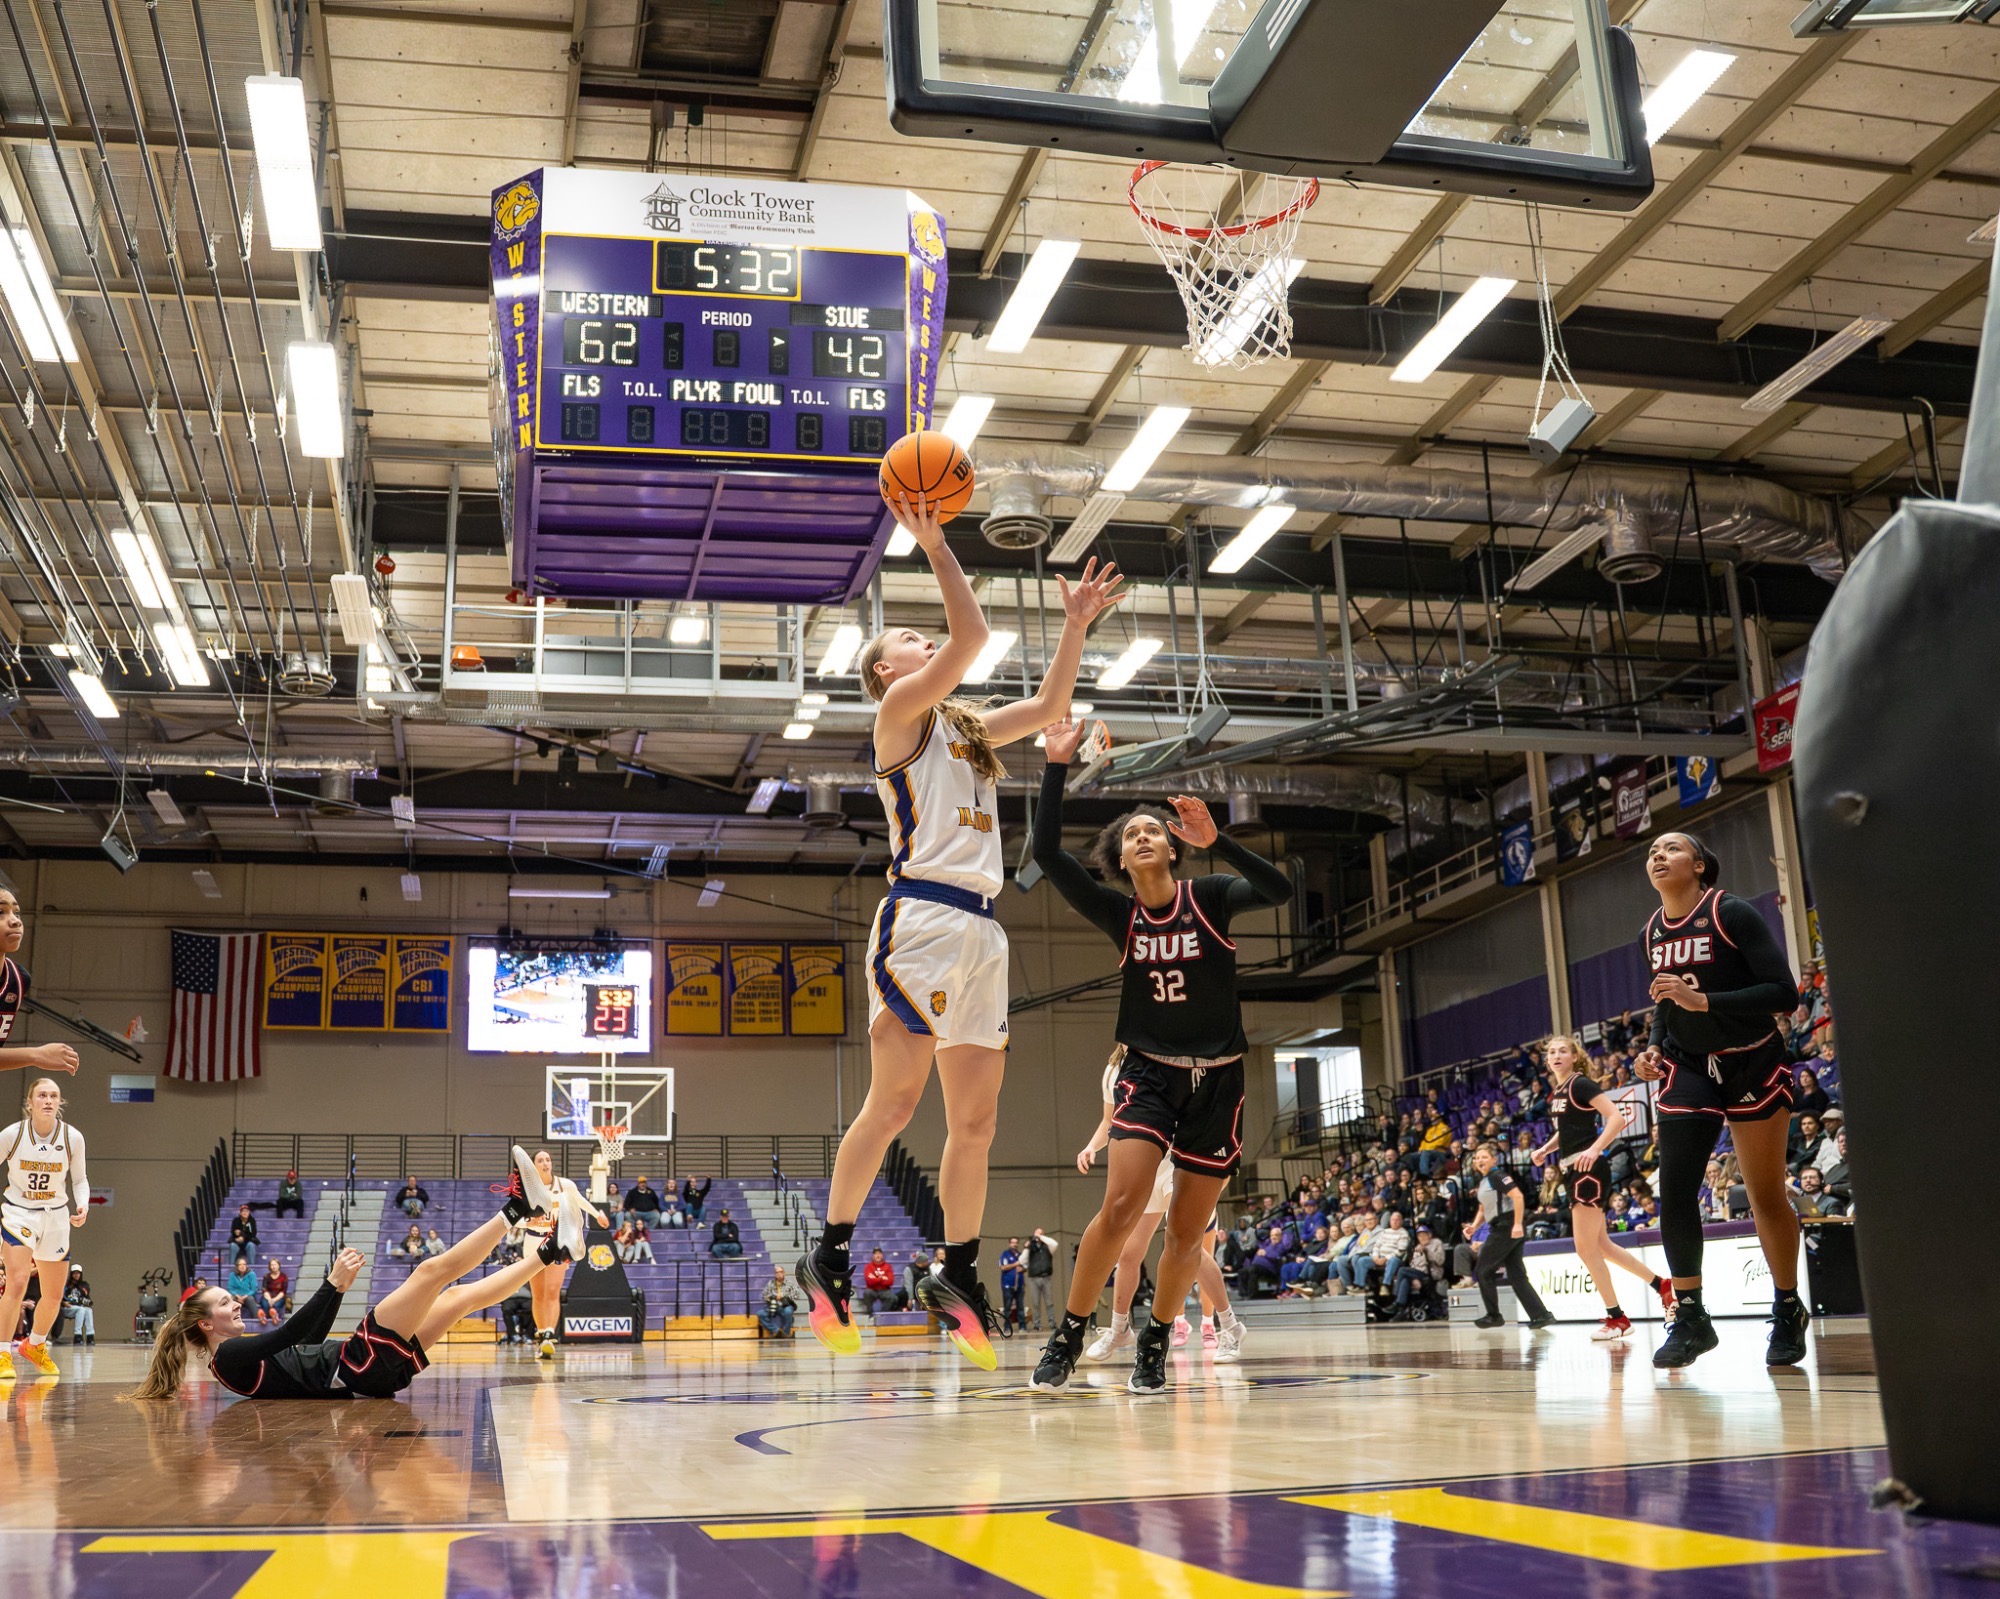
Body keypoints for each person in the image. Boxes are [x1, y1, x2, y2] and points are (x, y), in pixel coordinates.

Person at [796, 503, 1125, 1371]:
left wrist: (1075, 626)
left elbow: (1052, 705)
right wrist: (937, 544)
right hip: (923, 918)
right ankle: (828, 1257)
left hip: (982, 930)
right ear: (887, 671)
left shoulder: (968, 731)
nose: (921, 639)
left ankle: (958, 1272)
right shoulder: (901, 713)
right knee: (896, 1104)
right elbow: (971, 638)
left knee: (976, 1122)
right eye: (907, 637)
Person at [1028, 717, 1285, 1394]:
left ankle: (1155, 1339)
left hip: (1218, 1082)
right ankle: (1068, 1333)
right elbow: (1047, 853)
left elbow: (1279, 891)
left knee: (1186, 1233)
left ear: (1173, 847)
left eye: (1153, 829)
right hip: (1148, 1074)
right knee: (1121, 1207)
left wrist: (1219, 840)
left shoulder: (1211, 897)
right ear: (1120, 858)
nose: (1142, 835)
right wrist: (1055, 765)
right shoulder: (1122, 916)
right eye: (1130, 833)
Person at [131, 1148, 584, 1401]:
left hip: (364, 1374)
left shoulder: (235, 1360)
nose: (235, 1303)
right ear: (205, 1324)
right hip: (356, 1365)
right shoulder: (228, 1357)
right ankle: (518, 1208)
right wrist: (331, 1285)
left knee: (458, 1298)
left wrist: (336, 1291)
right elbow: (290, 1332)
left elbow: (306, 1340)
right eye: (224, 1302)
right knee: (430, 1273)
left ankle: (552, 1250)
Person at [1633, 830, 1807, 1369]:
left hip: (1752, 1058)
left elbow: (1784, 993)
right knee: (1675, 1189)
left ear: (1700, 865)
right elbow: (1666, 1000)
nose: (1659, 856)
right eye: (1653, 852)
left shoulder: (1731, 913)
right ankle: (1691, 1318)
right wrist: (1654, 1044)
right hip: (1687, 1065)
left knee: (1765, 1196)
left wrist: (1703, 1000)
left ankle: (1787, 1307)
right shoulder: (1651, 931)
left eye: (1672, 849)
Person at [1069, 1044, 1248, 1372]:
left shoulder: (1171, 1058)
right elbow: (1109, 1121)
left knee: (1189, 1248)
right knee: (1128, 1253)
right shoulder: (1113, 1071)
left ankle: (1229, 1326)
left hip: (1177, 1162)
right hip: (1144, 1166)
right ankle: (1119, 1328)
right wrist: (1091, 1146)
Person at [1531, 1032, 1675, 1341]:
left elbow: (1615, 1118)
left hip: (1588, 1172)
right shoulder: (1559, 1091)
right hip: (1574, 1169)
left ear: (1575, 1057)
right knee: (1603, 1246)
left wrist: (1596, 1149)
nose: (1556, 1056)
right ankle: (1661, 1285)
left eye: (1563, 1051)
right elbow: (1568, 1130)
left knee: (1585, 1248)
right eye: (1552, 1052)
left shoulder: (1581, 1084)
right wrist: (1545, 1148)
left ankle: (1617, 1318)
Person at [0, 1076, 89, 1378]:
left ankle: (35, 1344)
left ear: (59, 1102)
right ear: (30, 1102)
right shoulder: (13, 1134)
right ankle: (2, 1353)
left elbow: (79, 1179)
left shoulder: (72, 1137)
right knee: (17, 1282)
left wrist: (83, 1204)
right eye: (42, 1095)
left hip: (56, 1216)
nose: (48, 1100)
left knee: (53, 1294)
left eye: (53, 1095)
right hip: (19, 1213)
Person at [518, 1148, 610, 1361]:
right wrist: (528, 1221)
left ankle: (549, 1337)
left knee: (552, 1291)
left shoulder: (565, 1185)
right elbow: (514, 1218)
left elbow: (579, 1201)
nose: (545, 1163)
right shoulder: (526, 1190)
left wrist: (597, 1214)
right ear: (533, 1165)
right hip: (532, 1241)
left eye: (548, 1159)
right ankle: (541, 1336)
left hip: (555, 1241)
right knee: (538, 1294)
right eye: (540, 1160)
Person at [1469, 1143, 1556, 1330]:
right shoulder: (1484, 1181)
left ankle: (1494, 1315)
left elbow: (1518, 1197)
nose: (1480, 1160)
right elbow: (1483, 1208)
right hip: (1503, 1226)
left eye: (1484, 1157)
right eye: (1477, 1158)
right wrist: (1474, 1227)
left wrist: (1517, 1223)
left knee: (1483, 1270)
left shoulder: (1497, 1176)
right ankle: (1541, 1315)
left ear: (1494, 1160)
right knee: (1516, 1275)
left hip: (1506, 1227)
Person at [0, 888, 78, 1082]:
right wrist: (35, 1055)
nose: (15, 921)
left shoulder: (18, 979)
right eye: (1, 912)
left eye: (16, 912)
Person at [1389, 1223, 1446, 1318]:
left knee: (1402, 1270)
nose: (1422, 1238)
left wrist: (1427, 1250)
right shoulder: (1418, 1247)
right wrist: (1414, 1278)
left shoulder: (1436, 1243)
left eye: (1424, 1235)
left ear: (1429, 1235)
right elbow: (1413, 1265)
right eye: (1419, 1236)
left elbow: (1440, 1261)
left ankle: (1395, 1300)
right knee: (1405, 1280)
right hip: (1418, 1273)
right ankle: (1400, 1309)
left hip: (1432, 1272)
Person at [1024, 1228, 1057, 1330]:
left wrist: (1041, 1237)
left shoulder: (1048, 1246)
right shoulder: (1031, 1247)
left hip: (1046, 1278)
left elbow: (1055, 1244)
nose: (1037, 1236)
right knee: (1035, 1303)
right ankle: (1037, 1325)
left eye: (1040, 1234)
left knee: (1049, 1302)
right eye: (1036, 1234)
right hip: (1033, 1279)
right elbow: (1022, 1260)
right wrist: (1026, 1247)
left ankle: (1052, 1324)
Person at [859, 1248, 902, 1318]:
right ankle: (870, 1313)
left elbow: (890, 1281)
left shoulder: (888, 1266)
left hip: (884, 1290)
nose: (878, 1255)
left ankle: (882, 1315)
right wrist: (882, 1278)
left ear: (882, 1255)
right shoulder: (868, 1267)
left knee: (893, 1298)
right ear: (873, 1256)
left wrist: (875, 1278)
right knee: (867, 1293)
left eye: (879, 1253)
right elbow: (869, 1282)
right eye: (876, 1254)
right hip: (872, 1290)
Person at [759, 1267, 801, 1338]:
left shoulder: (789, 1284)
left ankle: (786, 1332)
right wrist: (772, 1297)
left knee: (788, 1311)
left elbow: (797, 1295)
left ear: (784, 1273)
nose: (779, 1274)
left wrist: (785, 1297)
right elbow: (764, 1295)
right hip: (773, 1306)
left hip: (785, 1306)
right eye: (777, 1272)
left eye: (781, 1272)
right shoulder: (770, 1284)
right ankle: (775, 1331)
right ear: (774, 1274)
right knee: (761, 1314)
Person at [997, 1238, 1025, 1330]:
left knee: (1020, 1307)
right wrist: (1015, 1264)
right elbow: (1003, 1267)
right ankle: (1007, 1327)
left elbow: (1025, 1266)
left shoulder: (1021, 1255)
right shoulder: (1005, 1254)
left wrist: (1023, 1269)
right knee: (1007, 1307)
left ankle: (1022, 1327)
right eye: (1013, 1243)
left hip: (1019, 1285)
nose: (1014, 1244)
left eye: (1016, 1243)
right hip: (1008, 1285)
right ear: (1009, 1244)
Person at [62, 1263, 92, 1345]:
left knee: (88, 1310)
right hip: (67, 1307)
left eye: (78, 1273)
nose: (76, 1275)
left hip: (79, 1306)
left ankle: (90, 1335)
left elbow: (87, 1298)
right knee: (81, 1310)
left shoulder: (84, 1285)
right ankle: (78, 1335)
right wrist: (64, 1303)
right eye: (74, 1273)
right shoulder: (66, 1285)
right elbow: (61, 1297)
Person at [256, 1259, 290, 1327]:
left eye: (275, 1265)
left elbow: (283, 1291)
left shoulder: (284, 1276)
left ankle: (272, 1314)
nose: (273, 1267)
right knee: (265, 1303)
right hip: (268, 1296)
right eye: (272, 1265)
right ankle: (265, 1316)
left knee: (277, 1304)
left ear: (279, 1265)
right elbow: (264, 1290)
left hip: (279, 1296)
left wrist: (274, 1300)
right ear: (269, 1266)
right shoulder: (266, 1276)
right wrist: (269, 1299)